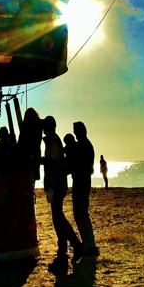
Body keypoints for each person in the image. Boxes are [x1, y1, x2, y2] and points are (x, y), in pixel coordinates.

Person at [42, 116, 82, 273]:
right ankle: (75, 245)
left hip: (56, 185)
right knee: (59, 216)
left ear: (49, 127)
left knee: (57, 218)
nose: (43, 129)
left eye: (44, 126)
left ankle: (63, 253)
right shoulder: (53, 140)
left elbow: (53, 164)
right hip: (57, 184)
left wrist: (39, 160)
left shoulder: (52, 141)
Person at [70, 120, 99, 256]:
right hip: (81, 181)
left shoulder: (85, 145)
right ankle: (88, 244)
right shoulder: (83, 145)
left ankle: (90, 245)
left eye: (77, 131)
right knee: (79, 212)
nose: (76, 134)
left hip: (82, 182)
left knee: (81, 212)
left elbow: (84, 166)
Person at [18, 107, 42, 181]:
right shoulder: (39, 126)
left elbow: (20, 142)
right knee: (32, 179)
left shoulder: (25, 129)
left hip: (26, 157)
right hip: (36, 155)